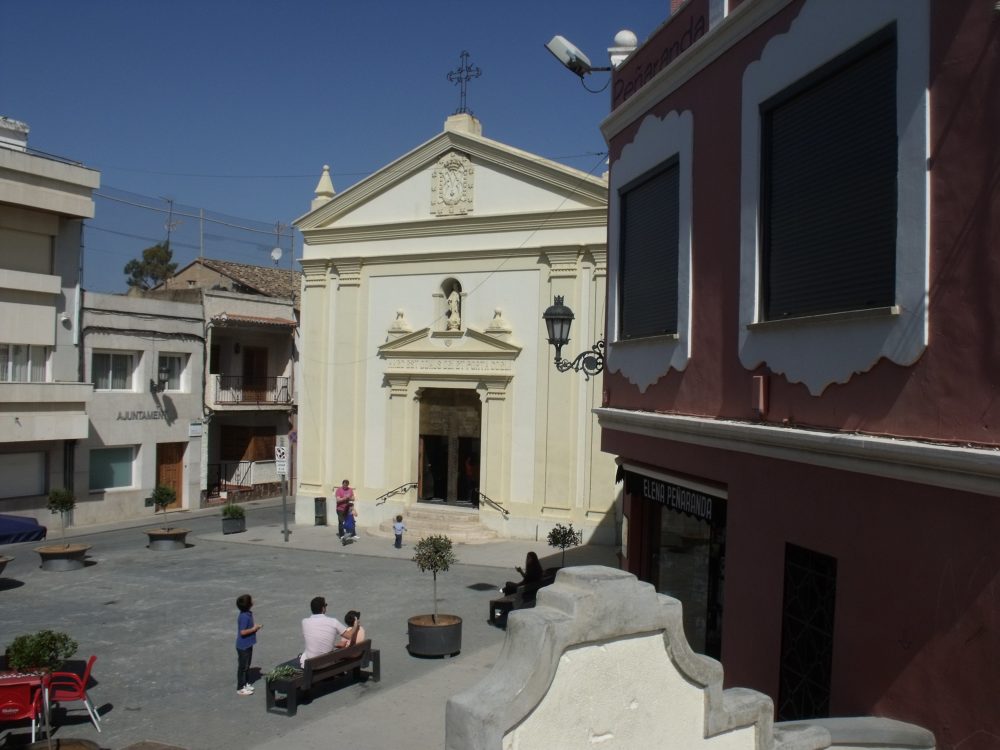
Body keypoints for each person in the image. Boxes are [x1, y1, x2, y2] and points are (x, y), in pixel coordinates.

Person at [301, 596, 347, 666]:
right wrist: (356, 624)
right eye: (325, 605)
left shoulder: (304, 622)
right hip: (328, 663)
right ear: (323, 608)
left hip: (311, 665)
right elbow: (350, 635)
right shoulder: (333, 622)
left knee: (304, 654)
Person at [235, 593, 262, 696]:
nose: (253, 601)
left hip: (248, 644)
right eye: (251, 600)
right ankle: (240, 687)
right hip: (243, 646)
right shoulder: (244, 617)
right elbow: (242, 632)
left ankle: (245, 683)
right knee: (243, 667)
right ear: (248, 604)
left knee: (247, 665)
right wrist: (254, 629)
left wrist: (255, 627)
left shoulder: (247, 614)